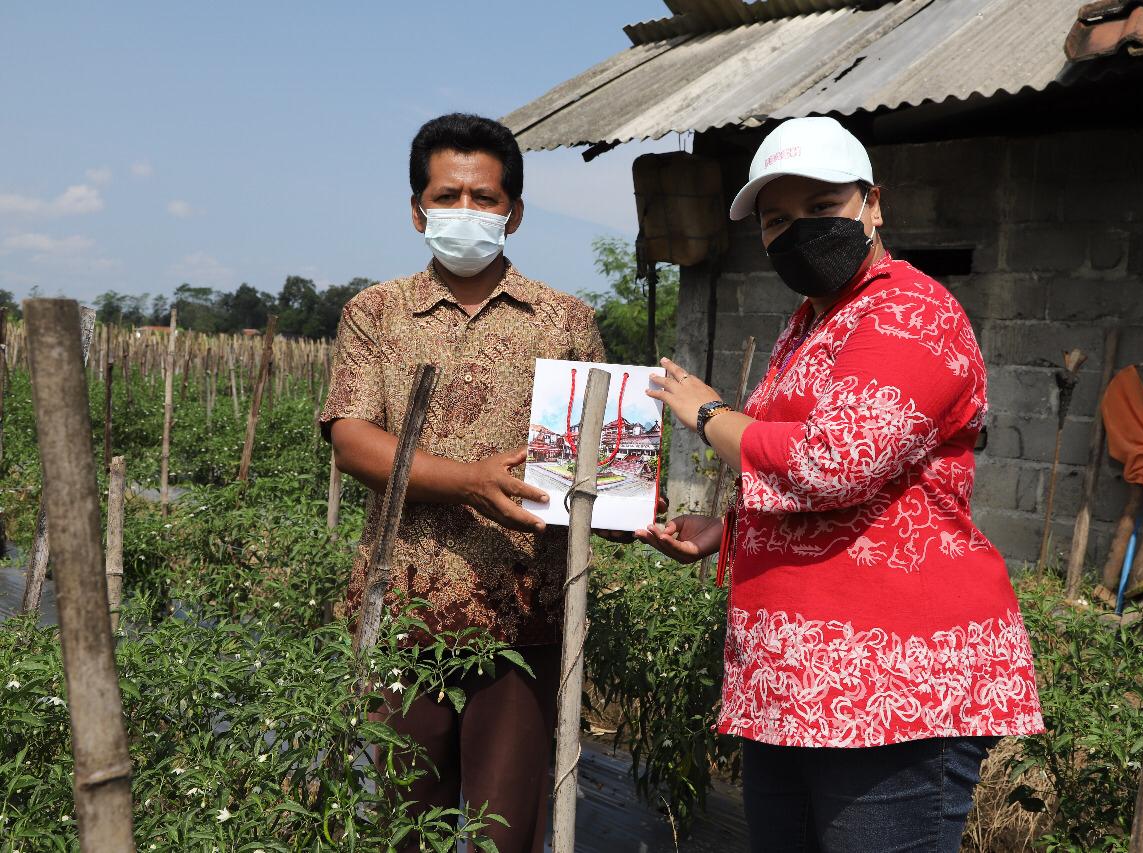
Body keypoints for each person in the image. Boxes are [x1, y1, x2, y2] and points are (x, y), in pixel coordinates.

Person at [638, 116, 1045, 853]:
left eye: (822, 208)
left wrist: (707, 412)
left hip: (889, 679)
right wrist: (724, 532)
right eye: (777, 220)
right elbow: (850, 494)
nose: (798, 232)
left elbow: (836, 461)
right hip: (796, 683)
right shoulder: (811, 322)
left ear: (873, 204)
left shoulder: (908, 313)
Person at [319, 113, 605, 853]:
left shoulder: (565, 320)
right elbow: (353, 439)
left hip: (526, 614)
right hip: (404, 608)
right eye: (450, 196)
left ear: (514, 211)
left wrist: (635, 503)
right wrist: (471, 481)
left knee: (501, 835)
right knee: (406, 828)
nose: (467, 212)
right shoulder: (375, 314)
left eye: (485, 198)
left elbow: (599, 459)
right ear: (418, 209)